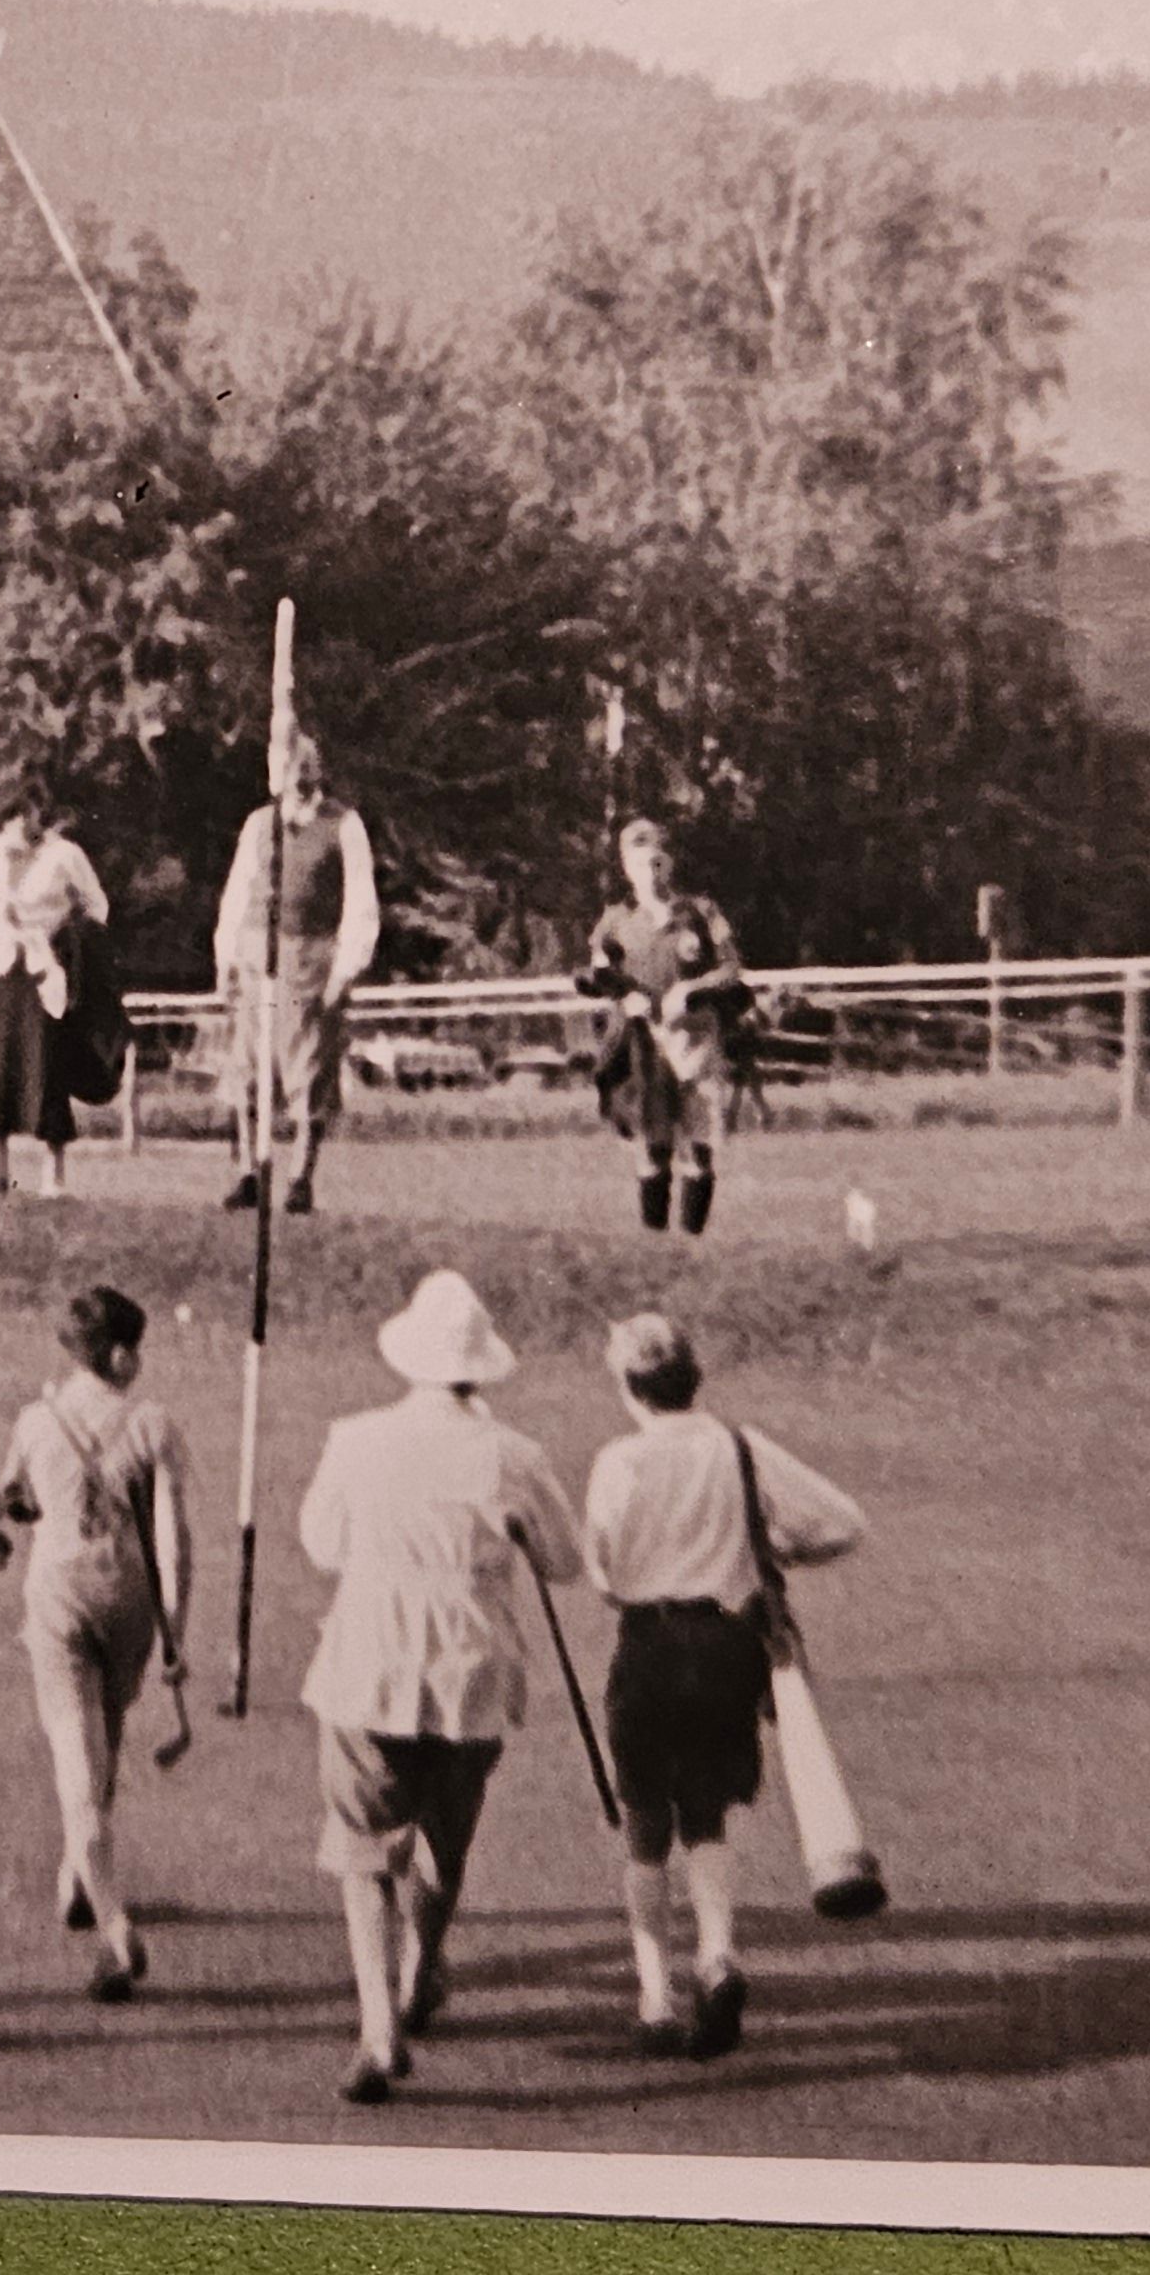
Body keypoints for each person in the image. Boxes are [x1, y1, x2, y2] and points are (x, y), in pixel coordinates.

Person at [295, 1268, 585, 2105]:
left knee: (363, 1847)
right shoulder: (513, 1454)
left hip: (371, 1663)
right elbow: (566, 1562)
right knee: (444, 1840)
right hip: (471, 1666)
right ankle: (422, 1969)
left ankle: (380, 2026)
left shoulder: (355, 1439)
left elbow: (322, 1544)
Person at [582, 1311, 866, 2061]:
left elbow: (603, 1572)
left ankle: (654, 1999)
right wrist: (778, 1550)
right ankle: (717, 1957)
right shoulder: (739, 1447)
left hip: (649, 1644)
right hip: (727, 1645)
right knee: (705, 1816)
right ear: (692, 1377)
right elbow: (842, 1523)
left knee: (645, 1826)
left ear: (628, 1386)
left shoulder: (619, 1461)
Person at [0, 1285, 193, 1998]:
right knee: (104, 1743)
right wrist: (175, 1628)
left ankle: (114, 1926)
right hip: (130, 1601)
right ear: (118, 1353)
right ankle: (80, 1880)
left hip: (59, 1598)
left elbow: (7, 1498)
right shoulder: (153, 1423)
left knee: (77, 1755)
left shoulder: (36, 1419)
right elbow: (173, 1538)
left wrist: (19, 1513)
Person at [215, 733, 382, 1216]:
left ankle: (299, 1179)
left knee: (308, 1070)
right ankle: (248, 1172)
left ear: (317, 769)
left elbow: (360, 901)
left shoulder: (343, 825)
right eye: (289, 767)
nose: (299, 775)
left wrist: (345, 969)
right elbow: (238, 891)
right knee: (247, 1069)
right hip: (256, 954)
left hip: (311, 958)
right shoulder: (259, 824)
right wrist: (226, 958)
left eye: (306, 766)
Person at [584, 820, 748, 1237]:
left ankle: (692, 1240)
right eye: (641, 864)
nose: (651, 872)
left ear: (669, 864)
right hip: (644, 1042)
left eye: (657, 862)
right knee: (652, 1143)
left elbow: (731, 969)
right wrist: (624, 998)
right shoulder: (615, 922)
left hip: (695, 1041)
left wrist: (692, 988)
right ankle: (654, 1244)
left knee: (697, 1143)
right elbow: (599, 974)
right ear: (627, 868)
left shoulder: (700, 912)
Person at [0, 781, 112, 1197]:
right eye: (12, 812)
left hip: (47, 970)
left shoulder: (64, 855)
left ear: (41, 811)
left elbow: (96, 906)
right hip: (2, 969)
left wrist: (65, 936)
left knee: (48, 1067)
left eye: (29, 810)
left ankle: (53, 1177)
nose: (21, 820)